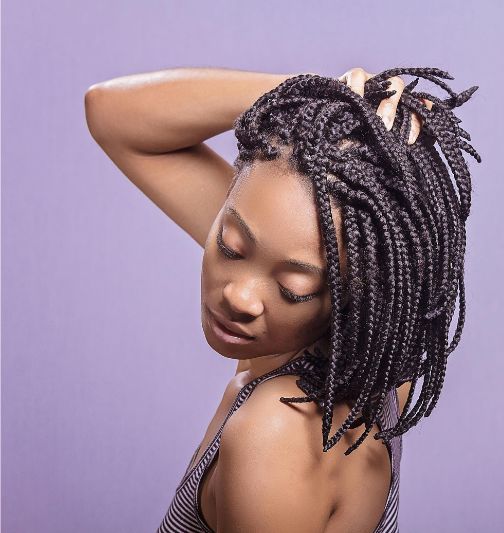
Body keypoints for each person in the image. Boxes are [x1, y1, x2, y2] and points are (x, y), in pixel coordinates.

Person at [84, 65, 481, 532]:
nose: (239, 296)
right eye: (230, 246)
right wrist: (323, 101)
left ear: (356, 294)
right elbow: (112, 115)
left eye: (295, 289)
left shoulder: (276, 436)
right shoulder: (370, 353)